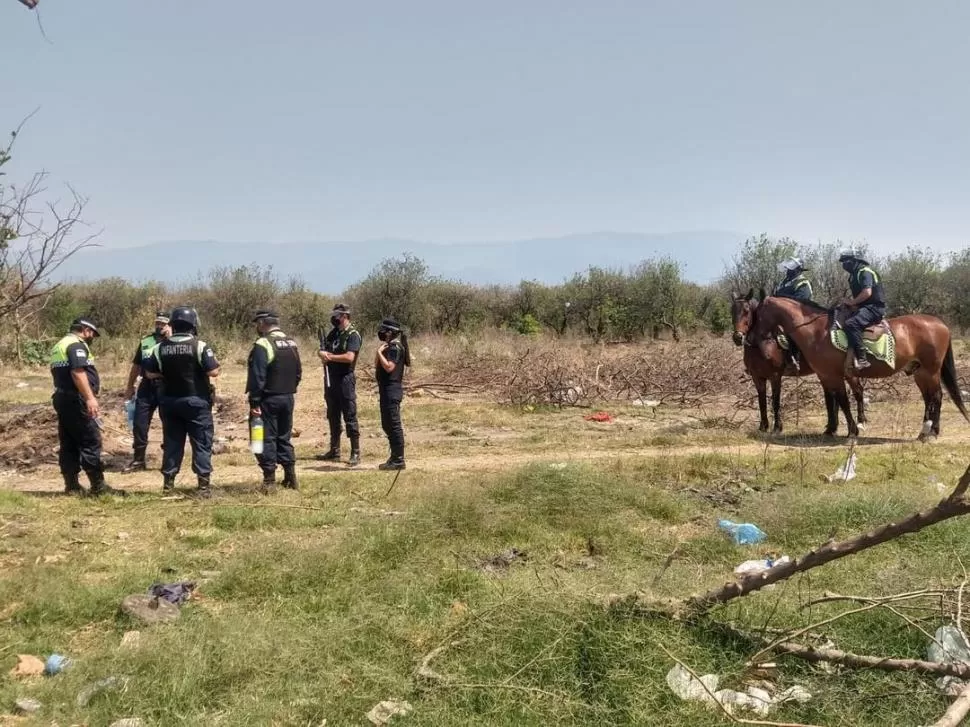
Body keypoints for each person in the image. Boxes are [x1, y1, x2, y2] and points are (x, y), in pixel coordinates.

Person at [144, 306, 220, 497]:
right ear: (193, 324)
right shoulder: (200, 346)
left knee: (172, 443)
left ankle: (168, 485)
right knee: (201, 442)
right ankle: (203, 487)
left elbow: (149, 372)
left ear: (173, 325)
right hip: (196, 402)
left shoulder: (159, 347)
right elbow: (213, 371)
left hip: (169, 402)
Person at [49, 318, 124, 496]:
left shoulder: (60, 344)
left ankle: (72, 486)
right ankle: (98, 487)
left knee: (68, 442)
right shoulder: (76, 345)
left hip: (62, 397)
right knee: (90, 440)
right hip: (77, 400)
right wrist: (89, 397)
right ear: (84, 330)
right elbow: (77, 372)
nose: (92, 338)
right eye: (92, 334)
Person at [246, 310, 302, 491]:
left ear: (263, 323)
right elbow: (298, 372)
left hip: (267, 400)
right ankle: (290, 476)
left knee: (263, 438)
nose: (257, 327)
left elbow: (258, 377)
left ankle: (269, 480)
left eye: (257, 323)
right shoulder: (291, 343)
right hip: (287, 397)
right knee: (284, 437)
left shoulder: (263, 344)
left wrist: (254, 402)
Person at [122, 312, 172, 472]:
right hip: (146, 386)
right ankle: (138, 460)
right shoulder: (146, 341)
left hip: (167, 387)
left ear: (170, 325)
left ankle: (169, 460)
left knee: (169, 424)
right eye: (157, 323)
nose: (159, 326)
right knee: (139, 423)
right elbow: (136, 366)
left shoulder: (175, 342)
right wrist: (130, 387)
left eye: (163, 324)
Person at [316, 304, 362, 466]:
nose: (334, 318)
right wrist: (321, 353)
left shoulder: (353, 335)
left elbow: (349, 357)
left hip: (345, 379)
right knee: (332, 414)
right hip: (331, 378)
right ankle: (334, 449)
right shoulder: (334, 333)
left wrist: (329, 357)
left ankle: (355, 451)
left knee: (349, 414)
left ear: (344, 316)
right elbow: (324, 349)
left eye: (337, 315)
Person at [839, 247, 887, 370]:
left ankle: (862, 358)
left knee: (851, 323)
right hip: (864, 307)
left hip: (874, 308)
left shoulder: (865, 272)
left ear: (856, 260)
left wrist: (851, 302)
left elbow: (867, 292)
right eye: (843, 261)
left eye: (847, 260)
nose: (844, 264)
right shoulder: (853, 275)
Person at [374, 318, 411, 470]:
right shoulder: (388, 347)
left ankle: (399, 459)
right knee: (386, 424)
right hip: (385, 390)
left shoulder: (396, 347)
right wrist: (379, 353)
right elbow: (377, 364)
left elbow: (389, 367)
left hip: (392, 390)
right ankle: (393, 456)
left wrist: (378, 352)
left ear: (390, 333)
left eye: (384, 330)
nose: (381, 333)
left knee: (394, 425)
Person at [773, 257, 813, 372]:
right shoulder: (782, 283)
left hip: (798, 314)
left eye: (791, 269)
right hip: (779, 315)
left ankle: (794, 360)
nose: (788, 271)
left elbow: (802, 301)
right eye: (787, 269)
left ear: (798, 270)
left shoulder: (803, 282)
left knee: (792, 331)